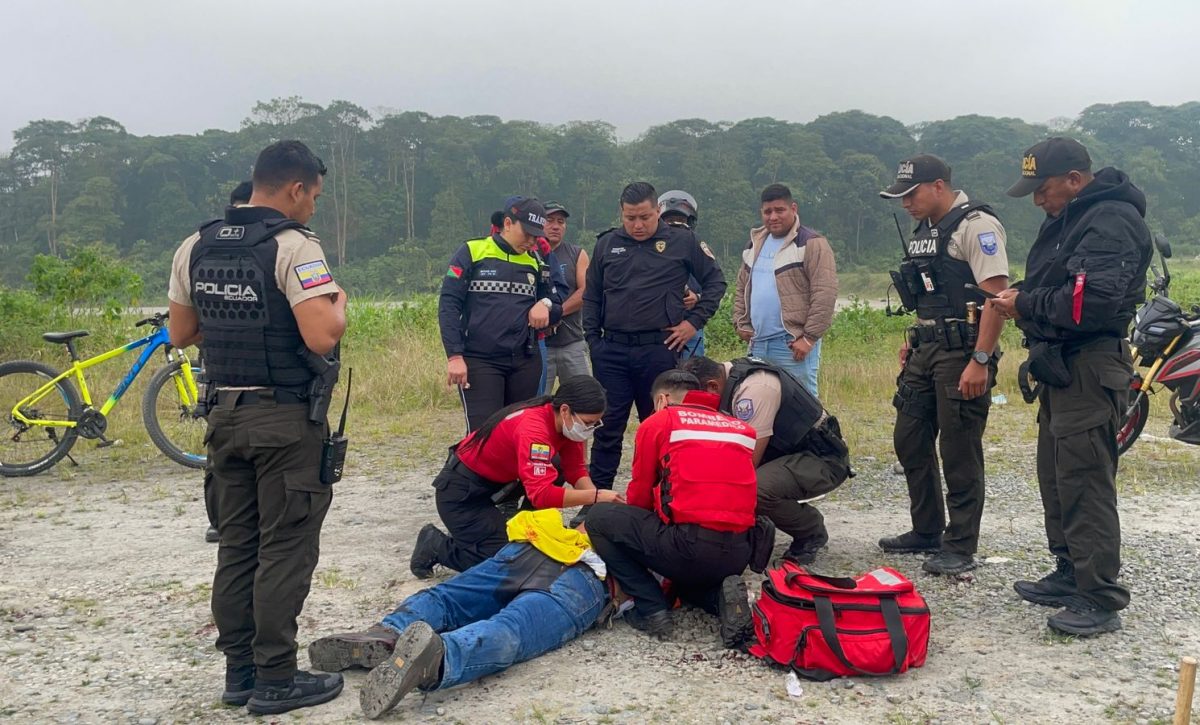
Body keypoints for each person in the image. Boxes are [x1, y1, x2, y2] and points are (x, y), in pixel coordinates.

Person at [167, 140, 346, 714]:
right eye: (314, 196)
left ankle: (239, 673)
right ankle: (276, 678)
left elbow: (181, 333)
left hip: (223, 415)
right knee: (285, 547)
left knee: (238, 546)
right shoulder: (294, 248)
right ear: (295, 188)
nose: (313, 207)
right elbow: (324, 334)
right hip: (285, 419)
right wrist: (338, 301)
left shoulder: (195, 246)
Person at [989, 137, 1151, 637]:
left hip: (1090, 362)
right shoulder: (1070, 221)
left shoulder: (1109, 221)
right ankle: (1069, 571)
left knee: (1084, 479)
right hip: (1060, 364)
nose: (1038, 199)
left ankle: (1099, 595)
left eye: (1044, 189)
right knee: (1056, 476)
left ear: (1075, 180)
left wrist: (1026, 304)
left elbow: (1091, 305)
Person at [308, 511, 608, 719]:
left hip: (541, 543)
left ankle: (389, 631)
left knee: (451, 598)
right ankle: (439, 657)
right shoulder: (651, 530)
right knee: (511, 629)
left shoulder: (620, 504)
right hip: (588, 577)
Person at [877, 154, 1009, 576]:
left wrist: (981, 360)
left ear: (938, 186)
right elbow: (929, 296)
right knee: (910, 437)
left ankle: (960, 544)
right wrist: (913, 340)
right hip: (927, 348)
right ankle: (927, 529)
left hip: (963, 352)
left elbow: (997, 299)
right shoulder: (925, 231)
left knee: (959, 448)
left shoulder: (977, 226)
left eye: (910, 194)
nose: (904, 203)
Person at [581, 182, 726, 514]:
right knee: (607, 428)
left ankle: (661, 501)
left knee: (661, 427)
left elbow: (716, 282)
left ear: (657, 211)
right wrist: (593, 342)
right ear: (621, 213)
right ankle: (595, 502)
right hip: (612, 350)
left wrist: (694, 322)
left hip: (658, 349)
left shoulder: (683, 241)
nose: (637, 225)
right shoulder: (607, 244)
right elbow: (591, 296)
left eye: (644, 217)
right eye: (630, 218)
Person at [585, 370, 757, 646]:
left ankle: (650, 606)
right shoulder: (740, 428)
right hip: (740, 552)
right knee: (687, 579)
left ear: (663, 400)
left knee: (598, 518)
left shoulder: (661, 422)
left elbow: (640, 495)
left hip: (688, 546)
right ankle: (718, 597)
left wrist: (639, 533)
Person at [409, 376, 624, 578]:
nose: (590, 429)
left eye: (595, 423)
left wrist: (596, 504)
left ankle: (529, 531)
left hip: (497, 486)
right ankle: (435, 545)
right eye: (588, 422)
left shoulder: (566, 424)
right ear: (566, 410)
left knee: (554, 468)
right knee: (507, 563)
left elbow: (575, 469)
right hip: (462, 495)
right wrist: (596, 497)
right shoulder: (534, 430)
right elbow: (541, 494)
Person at [681, 356, 851, 564]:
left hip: (821, 459)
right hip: (784, 455)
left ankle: (811, 531)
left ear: (713, 386)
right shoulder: (729, 378)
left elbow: (748, 461)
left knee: (755, 489)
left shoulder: (754, 390)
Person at [439, 196, 563, 432]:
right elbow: (449, 305)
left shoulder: (537, 261)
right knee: (483, 435)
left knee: (518, 433)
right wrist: (454, 356)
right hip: (480, 360)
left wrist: (544, 304)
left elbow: (557, 306)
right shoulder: (472, 251)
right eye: (526, 233)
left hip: (525, 361)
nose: (532, 241)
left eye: (536, 235)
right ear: (508, 223)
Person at [733, 184, 838, 396]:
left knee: (802, 405)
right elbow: (742, 287)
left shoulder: (812, 243)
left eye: (779, 210)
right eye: (767, 212)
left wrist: (808, 338)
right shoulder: (754, 244)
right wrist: (740, 322)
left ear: (793, 209)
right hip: (758, 343)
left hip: (792, 345)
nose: (773, 217)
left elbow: (825, 293)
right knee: (761, 402)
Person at [201, 179, 255, 545]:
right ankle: (221, 520)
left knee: (222, 455)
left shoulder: (202, 246)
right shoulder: (287, 244)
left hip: (223, 378)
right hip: (228, 377)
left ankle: (227, 522)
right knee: (220, 461)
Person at [540, 201, 591, 390]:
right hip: (539, 344)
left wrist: (556, 313)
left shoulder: (577, 254)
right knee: (535, 402)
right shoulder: (529, 253)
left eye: (560, 222)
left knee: (583, 399)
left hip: (572, 342)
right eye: (549, 220)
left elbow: (585, 291)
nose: (555, 226)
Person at [658, 190, 707, 360]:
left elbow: (715, 285)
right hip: (657, 331)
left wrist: (698, 297)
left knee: (692, 378)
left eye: (680, 220)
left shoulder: (697, 248)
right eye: (669, 220)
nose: (675, 224)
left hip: (690, 328)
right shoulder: (651, 249)